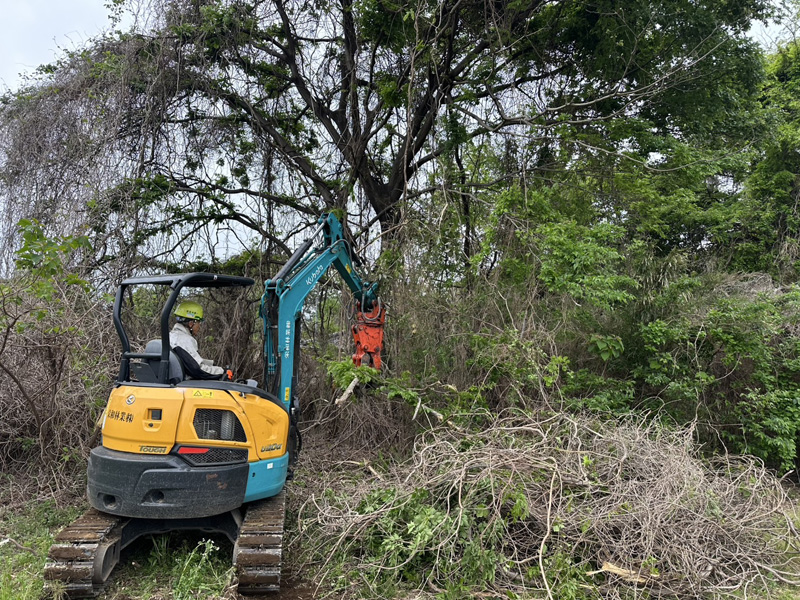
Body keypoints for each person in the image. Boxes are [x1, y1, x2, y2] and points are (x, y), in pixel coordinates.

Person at [169, 301, 226, 379]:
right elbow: (198, 370)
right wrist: (222, 371)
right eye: (198, 322)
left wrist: (211, 364)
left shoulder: (171, 336)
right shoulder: (185, 340)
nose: (199, 326)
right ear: (191, 323)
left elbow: (190, 360)